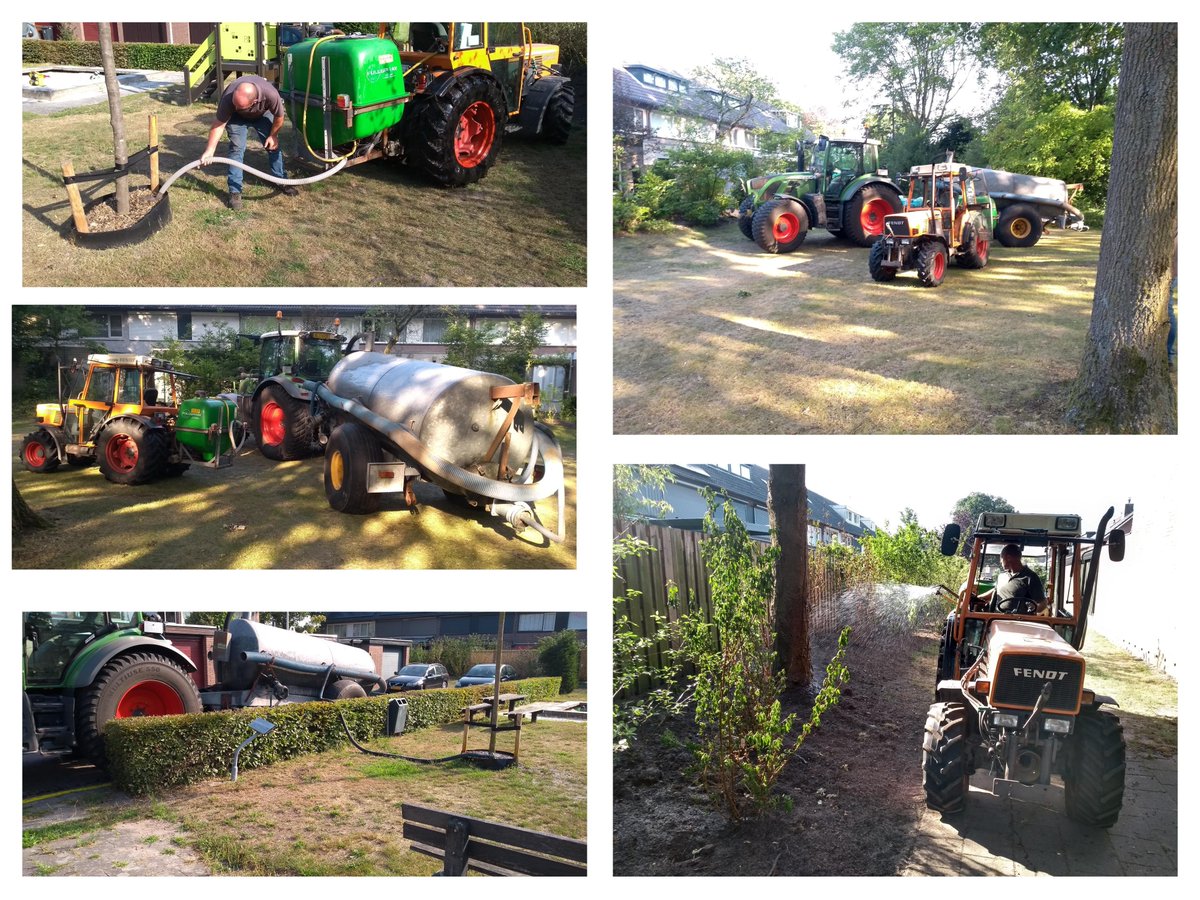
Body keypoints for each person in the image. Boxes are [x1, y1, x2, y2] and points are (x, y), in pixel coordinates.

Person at [200, 75, 297, 210]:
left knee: (273, 146)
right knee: (237, 149)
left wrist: (273, 136)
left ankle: (281, 180)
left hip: (263, 115)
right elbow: (219, 125)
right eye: (235, 104)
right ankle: (235, 192)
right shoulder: (229, 98)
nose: (236, 106)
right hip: (236, 119)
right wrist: (210, 150)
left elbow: (279, 117)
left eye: (240, 106)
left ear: (255, 100)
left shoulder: (270, 94)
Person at [975, 544, 1045, 614]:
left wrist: (1030, 612)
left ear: (1008, 558)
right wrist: (977, 598)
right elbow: (996, 591)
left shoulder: (1030, 577)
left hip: (1017, 621)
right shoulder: (1002, 576)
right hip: (995, 618)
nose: (1000, 562)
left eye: (1001, 559)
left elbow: (1043, 603)